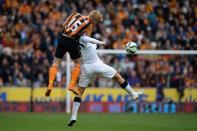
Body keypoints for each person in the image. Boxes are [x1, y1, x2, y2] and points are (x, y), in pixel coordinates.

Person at [67, 35, 144, 127]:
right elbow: (89, 39)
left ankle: (73, 117)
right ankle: (133, 94)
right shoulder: (83, 38)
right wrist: (101, 42)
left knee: (79, 92)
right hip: (97, 65)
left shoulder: (72, 43)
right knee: (117, 77)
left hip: (85, 68)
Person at [45, 10, 103, 96]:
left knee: (55, 63)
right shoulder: (89, 25)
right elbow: (87, 40)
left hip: (62, 37)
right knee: (77, 63)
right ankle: (72, 85)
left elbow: (64, 25)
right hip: (72, 41)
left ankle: (50, 84)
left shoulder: (75, 14)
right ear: (94, 21)